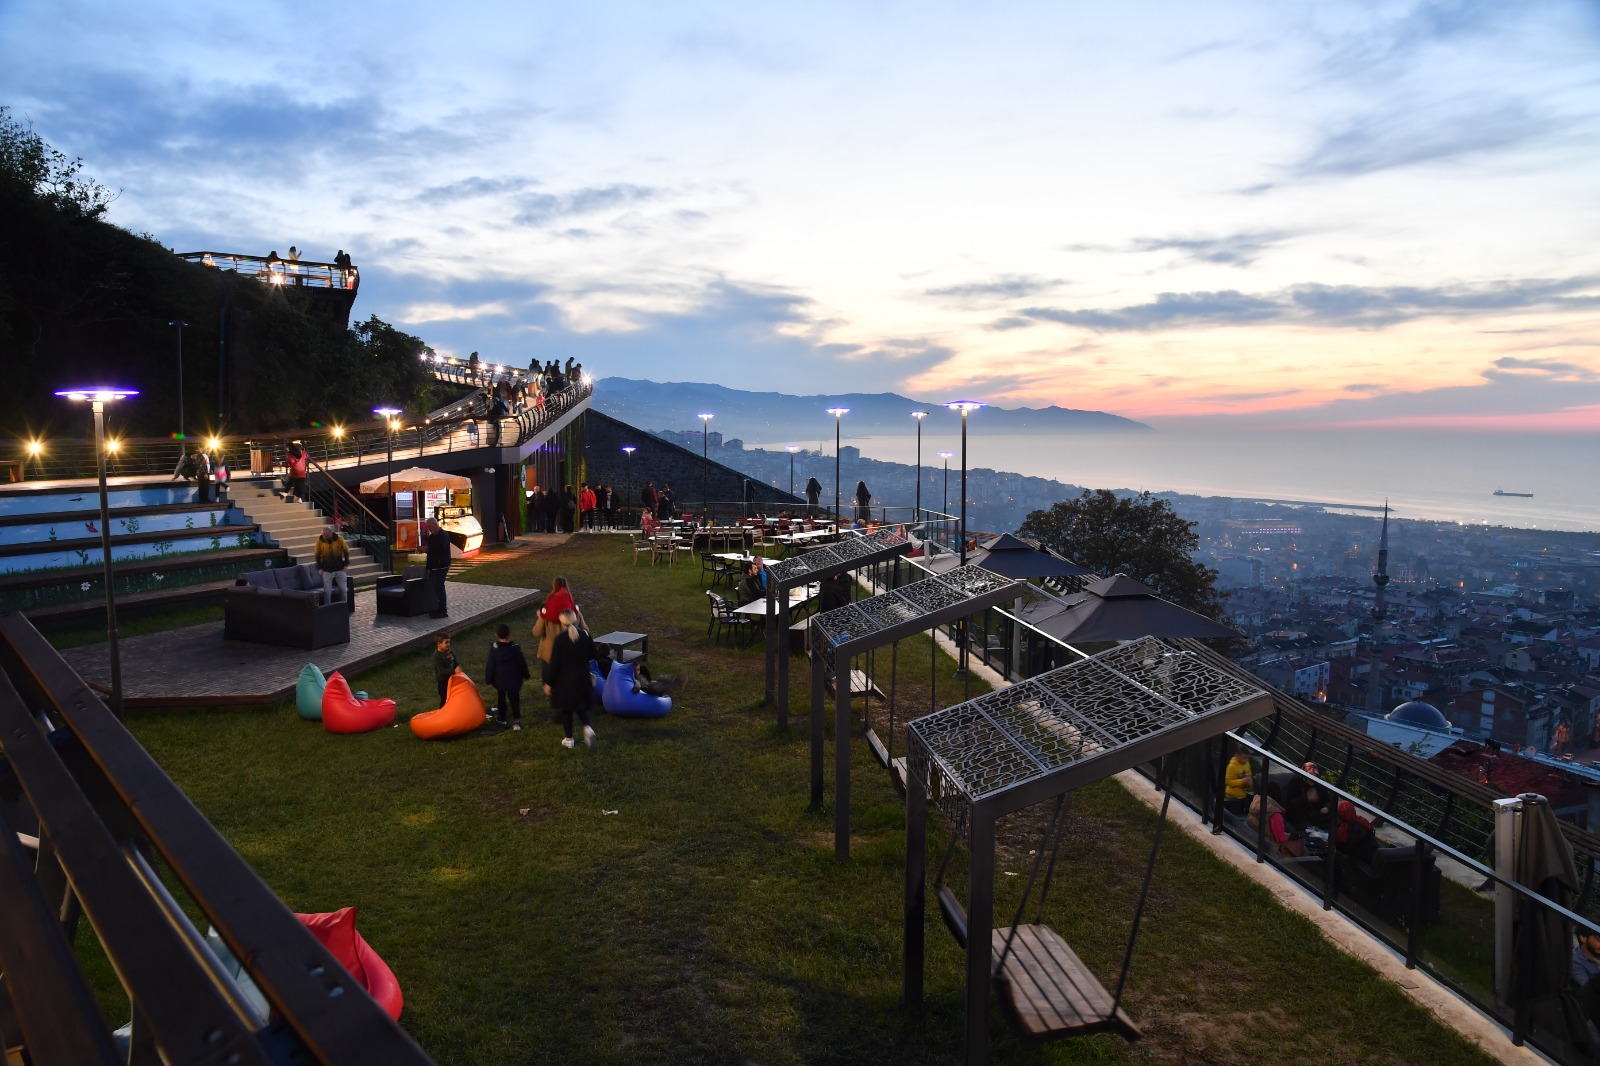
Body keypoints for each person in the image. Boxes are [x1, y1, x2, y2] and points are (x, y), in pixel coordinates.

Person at [543, 609, 597, 749]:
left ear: (562, 622)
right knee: (581, 706)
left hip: (565, 680)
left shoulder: (560, 639)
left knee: (566, 709)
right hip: (582, 677)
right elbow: (593, 654)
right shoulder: (585, 635)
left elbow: (554, 663)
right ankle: (587, 728)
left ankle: (569, 739)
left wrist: (548, 682)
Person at [484, 623, 532, 730]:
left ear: (496, 634)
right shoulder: (515, 649)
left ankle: (502, 717)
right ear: (509, 634)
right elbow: (521, 663)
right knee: (514, 699)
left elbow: (490, 665)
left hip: (499, 680)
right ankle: (516, 720)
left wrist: (489, 679)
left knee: (501, 697)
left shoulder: (494, 649)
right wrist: (526, 674)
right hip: (514, 680)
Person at [533, 576, 576, 662]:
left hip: (549, 655)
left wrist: (540, 616)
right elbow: (585, 629)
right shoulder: (574, 613)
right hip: (568, 654)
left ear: (554, 585)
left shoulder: (546, 614)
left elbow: (536, 632)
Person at [314, 524, 350, 606]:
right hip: (327, 569)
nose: (325, 537)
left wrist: (346, 563)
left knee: (343, 590)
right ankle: (328, 609)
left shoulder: (339, 539)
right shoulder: (320, 541)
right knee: (327, 592)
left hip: (339, 568)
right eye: (324, 535)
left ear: (331, 533)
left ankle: (343, 607)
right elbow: (317, 555)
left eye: (327, 535)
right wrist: (320, 568)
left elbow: (346, 550)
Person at [424, 517, 451, 618]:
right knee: (435, 587)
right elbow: (432, 549)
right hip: (434, 566)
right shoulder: (432, 536)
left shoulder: (443, 535)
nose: (429, 528)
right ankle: (437, 607)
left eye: (430, 526)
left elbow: (440, 548)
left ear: (435, 524)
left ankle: (442, 610)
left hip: (441, 566)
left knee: (439, 587)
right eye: (428, 527)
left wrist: (427, 549)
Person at [432, 632, 461, 706]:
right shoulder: (437, 656)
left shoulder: (450, 652)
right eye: (446, 642)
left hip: (452, 679)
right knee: (444, 699)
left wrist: (457, 667)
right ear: (439, 644)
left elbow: (455, 662)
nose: (448, 644)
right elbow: (441, 671)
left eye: (449, 642)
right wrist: (454, 671)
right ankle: (441, 714)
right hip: (443, 682)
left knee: (452, 698)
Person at [1223, 747, 1252, 815]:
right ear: (1237, 756)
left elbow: (1249, 776)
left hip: (1243, 795)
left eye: (1247, 758)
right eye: (1244, 758)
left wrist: (1249, 783)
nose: (1246, 760)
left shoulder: (1247, 764)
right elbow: (1228, 782)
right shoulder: (1231, 767)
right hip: (1233, 797)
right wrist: (1242, 781)